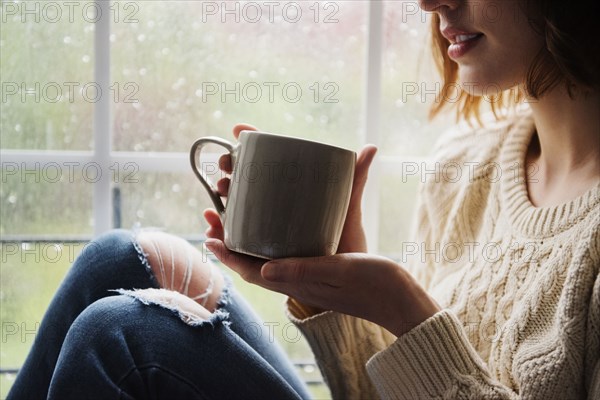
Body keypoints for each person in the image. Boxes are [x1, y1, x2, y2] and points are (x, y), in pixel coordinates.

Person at [8, 0, 599, 398]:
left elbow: (420, 338)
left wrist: (405, 311)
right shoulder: (461, 167)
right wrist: (335, 292)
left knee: (120, 334)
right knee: (117, 257)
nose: (429, 2)